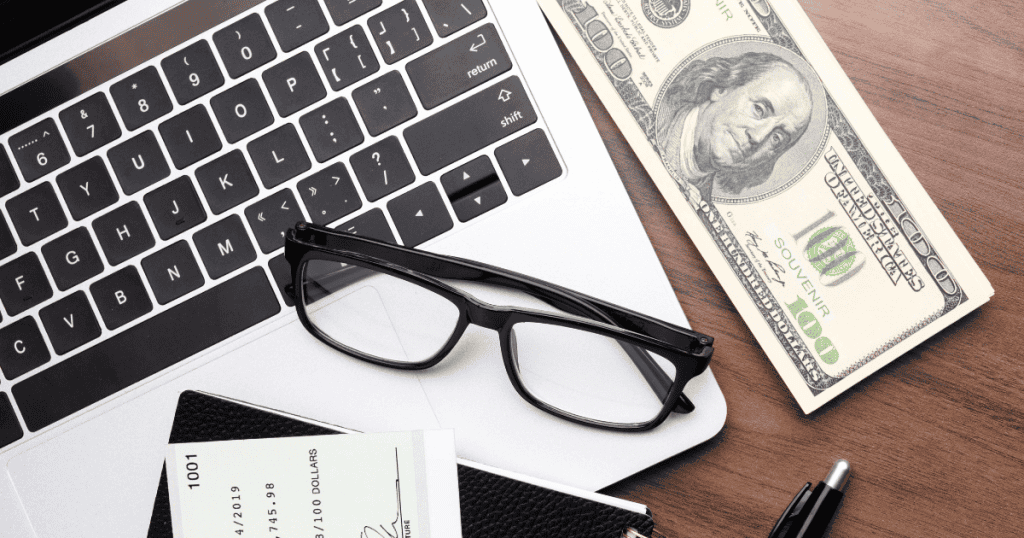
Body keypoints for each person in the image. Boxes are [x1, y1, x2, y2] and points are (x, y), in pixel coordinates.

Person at [657, 51, 814, 201]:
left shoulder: (699, 206)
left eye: (776, 138)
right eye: (759, 110)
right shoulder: (653, 116)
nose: (758, 137)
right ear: (722, 89)